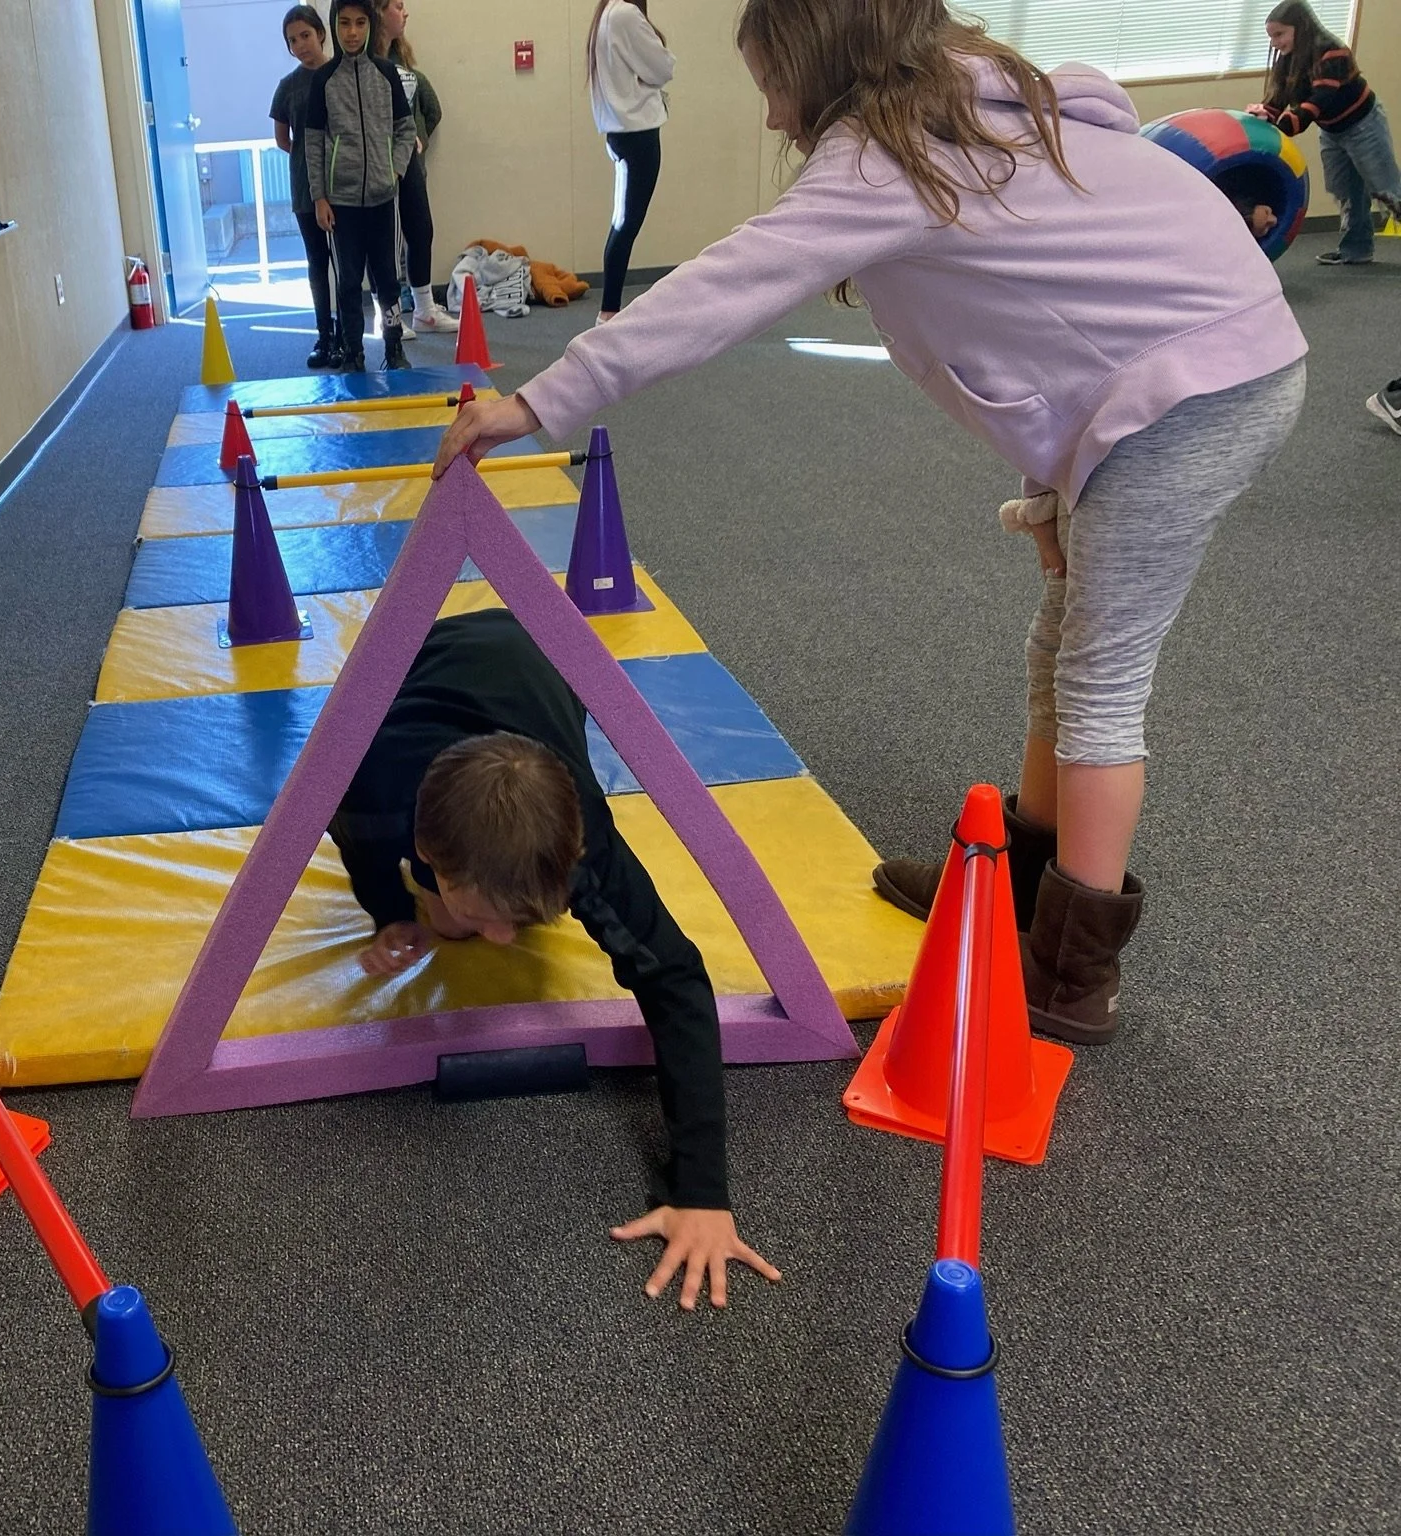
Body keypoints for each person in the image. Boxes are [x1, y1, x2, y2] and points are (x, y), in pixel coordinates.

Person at [434, 0, 1309, 1047]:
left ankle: (1072, 973)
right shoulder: (972, 107)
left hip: (1193, 389)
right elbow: (1059, 322)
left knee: (1100, 679)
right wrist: (1056, 490)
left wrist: (537, 402)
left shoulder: (880, 157)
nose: (767, 116)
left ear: (817, 62)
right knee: (1063, 641)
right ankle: (1011, 883)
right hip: (1180, 370)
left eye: (767, 83)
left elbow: (719, 288)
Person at [328, 609, 780, 1310]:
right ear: (431, 856)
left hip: (544, 651)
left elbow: (676, 979)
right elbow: (359, 845)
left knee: (466, 921)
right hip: (425, 650)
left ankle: (476, 902)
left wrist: (702, 1192)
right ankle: (446, 906)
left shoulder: (582, 843)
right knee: (446, 925)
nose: (502, 941)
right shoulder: (369, 786)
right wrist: (389, 910)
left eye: (523, 919)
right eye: (491, 915)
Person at [305, 0, 417, 371]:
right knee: (349, 281)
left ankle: (394, 346)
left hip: (384, 200)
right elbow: (314, 143)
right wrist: (319, 196)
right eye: (344, 24)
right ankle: (353, 351)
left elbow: (406, 130)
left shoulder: (387, 74)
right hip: (342, 204)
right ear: (334, 27)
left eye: (359, 23)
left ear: (370, 26)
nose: (352, 32)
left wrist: (394, 171)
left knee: (388, 279)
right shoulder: (323, 80)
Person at [1249, 0, 1401, 266]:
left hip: (1363, 125)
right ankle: (1357, 249)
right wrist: (1265, 116)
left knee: (1386, 188)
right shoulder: (1288, 59)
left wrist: (1285, 125)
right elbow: (1278, 99)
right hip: (1332, 130)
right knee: (1345, 189)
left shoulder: (1332, 51)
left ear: (1301, 28)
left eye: (1279, 34)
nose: (1274, 42)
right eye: (1271, 36)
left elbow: (1321, 99)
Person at [372, 0, 458, 337]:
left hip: (409, 164)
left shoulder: (406, 67)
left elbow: (429, 112)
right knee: (381, 239)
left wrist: (416, 137)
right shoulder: (367, 66)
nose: (404, 13)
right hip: (377, 164)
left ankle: (424, 310)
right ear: (379, 12)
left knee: (420, 230)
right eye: (397, 6)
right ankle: (385, 315)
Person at [586, 0, 675, 321]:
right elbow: (664, 69)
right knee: (624, 224)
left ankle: (608, 312)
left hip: (626, 134)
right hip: (636, 135)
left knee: (625, 223)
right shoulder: (625, 14)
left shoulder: (610, 13)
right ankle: (607, 313)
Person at [271, 7, 335, 368]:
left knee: (346, 262)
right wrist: (310, 160)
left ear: (321, 34)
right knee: (317, 261)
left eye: (305, 36)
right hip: (304, 187)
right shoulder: (287, 86)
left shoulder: (339, 73)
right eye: (292, 41)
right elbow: (283, 139)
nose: (300, 45)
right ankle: (324, 334)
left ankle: (348, 333)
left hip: (344, 182)